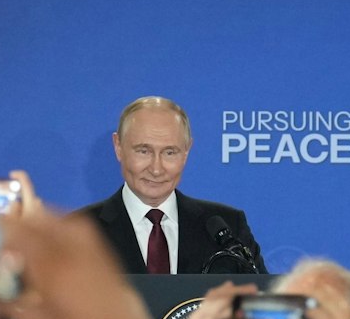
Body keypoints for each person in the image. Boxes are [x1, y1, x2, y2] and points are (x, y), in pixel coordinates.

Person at [84, 96, 265, 274]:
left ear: (186, 151)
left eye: (170, 152)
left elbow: (262, 301)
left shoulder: (228, 227)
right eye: (143, 151)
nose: (156, 169)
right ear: (118, 147)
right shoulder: (80, 231)